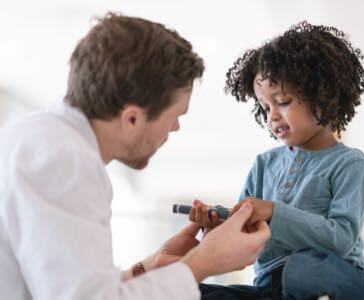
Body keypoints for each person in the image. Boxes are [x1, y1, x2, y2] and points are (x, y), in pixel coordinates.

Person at [0, 12, 270, 300]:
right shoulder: (68, 163)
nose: (176, 128)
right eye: (175, 116)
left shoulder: (30, 136)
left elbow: (77, 285)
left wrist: (151, 264)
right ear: (131, 118)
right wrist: (203, 262)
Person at [189, 21, 364, 299]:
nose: (271, 116)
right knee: (191, 292)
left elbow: (341, 239)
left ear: (322, 96)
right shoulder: (263, 165)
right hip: (270, 287)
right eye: (265, 107)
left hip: (326, 275)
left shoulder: (349, 163)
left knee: (302, 269)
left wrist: (274, 212)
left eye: (283, 102)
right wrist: (221, 226)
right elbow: (245, 241)